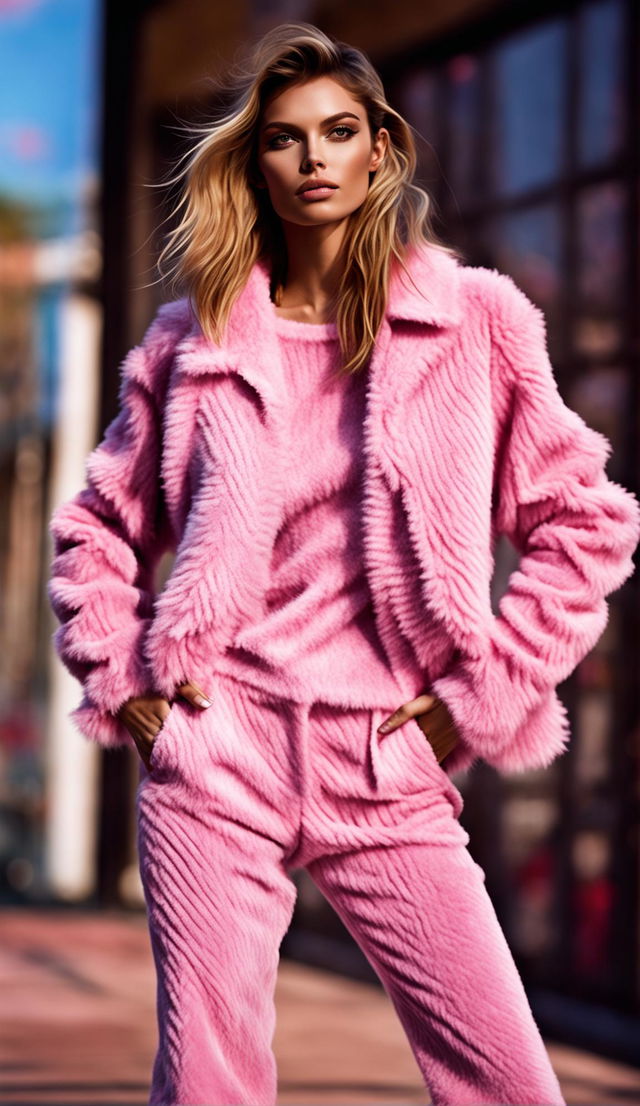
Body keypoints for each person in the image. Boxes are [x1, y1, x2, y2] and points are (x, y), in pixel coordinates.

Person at [47, 21, 640, 1106]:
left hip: (385, 757)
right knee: (207, 1085)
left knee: (506, 1080)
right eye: (284, 139)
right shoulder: (193, 345)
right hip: (218, 751)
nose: (313, 158)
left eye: (337, 132)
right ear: (256, 165)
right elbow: (95, 524)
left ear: (382, 149)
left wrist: (490, 691)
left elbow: (585, 519)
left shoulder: (473, 323)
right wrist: (127, 683)